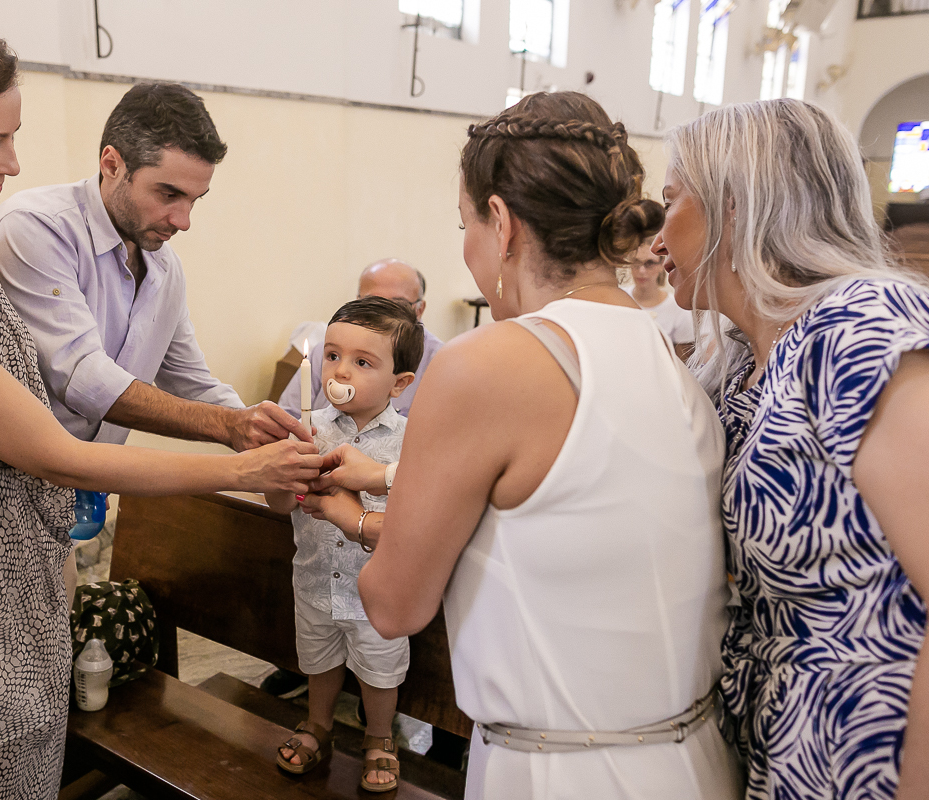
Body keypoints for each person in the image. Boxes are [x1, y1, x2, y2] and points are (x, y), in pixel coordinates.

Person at [0, 7, 319, 799]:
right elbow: (49, 443)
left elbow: (167, 379)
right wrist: (245, 465)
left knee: (21, 764)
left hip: (6, 567)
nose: (13, 164)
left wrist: (244, 426)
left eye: (13, 136)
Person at [329, 92, 743, 798]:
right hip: (694, 758)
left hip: (565, 772)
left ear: (501, 221)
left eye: (464, 223)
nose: (466, 246)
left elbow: (395, 606)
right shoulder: (674, 357)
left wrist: (347, 516)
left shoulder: (483, 362)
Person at [653, 98, 929, 799]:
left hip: (876, 754)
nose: (656, 238)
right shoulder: (742, 365)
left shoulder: (857, 326)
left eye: (670, 202)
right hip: (780, 750)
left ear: (735, 207)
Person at [0, 83, 304, 451]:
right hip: (8, 485)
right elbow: (81, 377)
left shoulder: (165, 268)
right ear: (112, 164)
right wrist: (227, 424)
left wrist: (267, 433)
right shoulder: (36, 227)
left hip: (90, 487)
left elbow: (190, 382)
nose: (183, 221)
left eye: (194, 200)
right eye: (168, 195)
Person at [266, 297, 423, 793]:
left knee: (379, 673)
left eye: (362, 361)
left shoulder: (411, 445)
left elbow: (417, 519)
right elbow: (278, 506)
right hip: (313, 583)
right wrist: (277, 468)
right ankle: (319, 724)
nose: (340, 370)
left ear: (400, 383)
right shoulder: (307, 430)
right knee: (319, 662)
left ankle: (379, 737)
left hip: (377, 595)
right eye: (332, 355)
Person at [279, 259, 444, 419]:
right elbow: (286, 417)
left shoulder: (443, 363)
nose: (381, 315)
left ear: (419, 309)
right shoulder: (323, 351)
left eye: (397, 305)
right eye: (371, 302)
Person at [624, 240, 695, 358]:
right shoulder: (620, 298)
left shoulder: (678, 308)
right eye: (636, 262)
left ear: (661, 265)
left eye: (649, 263)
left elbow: (683, 364)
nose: (641, 271)